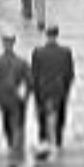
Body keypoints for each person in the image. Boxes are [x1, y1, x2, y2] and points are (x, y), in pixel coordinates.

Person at [0, 32, 32, 167]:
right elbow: (30, 82)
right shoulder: (22, 62)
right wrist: (25, 96)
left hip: (3, 100)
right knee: (16, 126)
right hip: (16, 100)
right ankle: (14, 150)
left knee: (7, 125)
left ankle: (12, 150)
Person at [28, 25, 75, 153]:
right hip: (59, 90)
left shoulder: (37, 52)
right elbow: (70, 74)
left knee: (42, 118)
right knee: (60, 116)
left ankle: (43, 141)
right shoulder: (66, 52)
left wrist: (34, 91)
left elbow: (34, 75)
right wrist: (66, 89)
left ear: (46, 36)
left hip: (43, 90)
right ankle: (58, 141)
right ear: (57, 35)